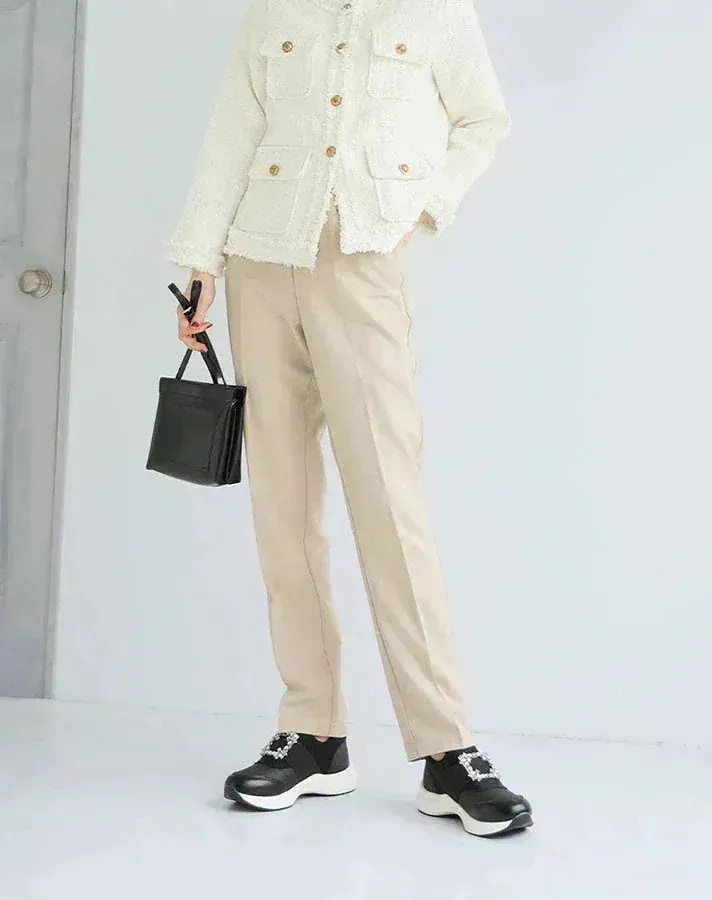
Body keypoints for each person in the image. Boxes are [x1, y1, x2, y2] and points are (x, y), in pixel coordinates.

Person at [167, 0, 532, 837]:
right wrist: (197, 261)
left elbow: (483, 119)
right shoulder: (273, 11)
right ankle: (314, 735)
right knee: (283, 508)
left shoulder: (437, 11)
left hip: (364, 262)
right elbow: (234, 130)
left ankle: (446, 750)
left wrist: (421, 207)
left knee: (390, 509)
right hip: (260, 262)